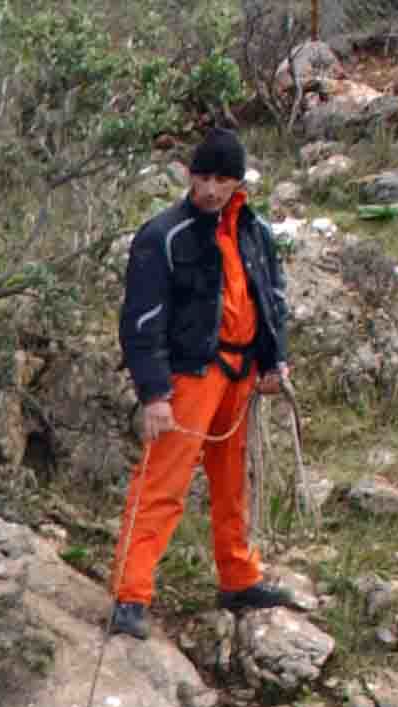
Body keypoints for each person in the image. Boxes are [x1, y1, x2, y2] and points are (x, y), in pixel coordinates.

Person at [107, 126, 299, 642]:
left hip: (240, 377)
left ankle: (239, 578)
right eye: (203, 177)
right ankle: (130, 595)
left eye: (222, 179)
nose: (211, 189)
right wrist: (154, 394)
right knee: (161, 484)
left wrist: (273, 361)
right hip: (189, 377)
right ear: (189, 175)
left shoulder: (254, 232)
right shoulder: (162, 235)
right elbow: (141, 321)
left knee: (234, 482)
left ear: (239, 183)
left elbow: (268, 298)